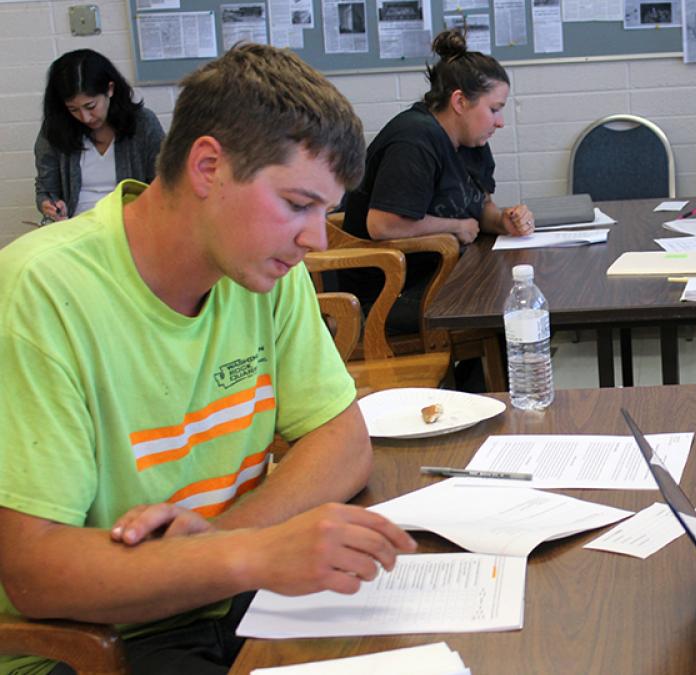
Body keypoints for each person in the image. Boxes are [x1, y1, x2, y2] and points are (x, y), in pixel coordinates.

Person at [0, 44, 417, 675]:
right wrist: (253, 555)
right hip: (104, 644)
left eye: (324, 211)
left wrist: (228, 542)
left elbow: (344, 441)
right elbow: (36, 572)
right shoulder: (42, 290)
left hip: (232, 601)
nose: (315, 238)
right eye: (298, 204)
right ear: (207, 166)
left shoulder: (261, 270)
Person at [340, 29, 531, 339]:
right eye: (494, 109)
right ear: (460, 101)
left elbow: (479, 209)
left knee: (511, 296)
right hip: (387, 295)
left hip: (439, 274)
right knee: (502, 309)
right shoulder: (414, 140)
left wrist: (504, 220)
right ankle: (482, 383)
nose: (500, 122)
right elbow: (382, 225)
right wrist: (454, 227)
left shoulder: (472, 140)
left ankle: (482, 383)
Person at [34, 49, 165, 224]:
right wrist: (49, 205)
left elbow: (163, 182)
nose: (85, 117)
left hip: (130, 227)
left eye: (90, 106)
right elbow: (46, 189)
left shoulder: (143, 123)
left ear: (110, 89)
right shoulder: (55, 129)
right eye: (73, 109)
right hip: (76, 228)